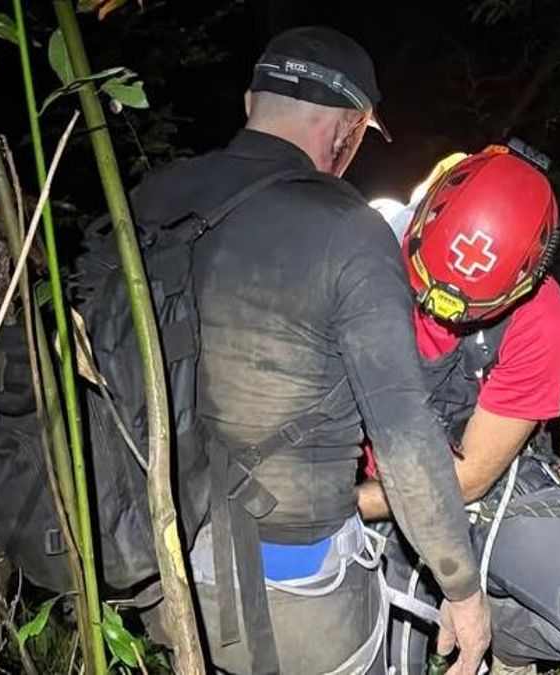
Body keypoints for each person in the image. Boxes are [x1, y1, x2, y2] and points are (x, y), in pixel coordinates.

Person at [137, 27, 490, 674]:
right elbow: (404, 435)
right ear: (345, 131)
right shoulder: (349, 232)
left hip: (163, 566)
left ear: (250, 103)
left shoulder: (152, 200)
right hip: (299, 602)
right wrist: (462, 588)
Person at [356, 148, 560, 673]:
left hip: (484, 495)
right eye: (427, 289)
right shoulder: (358, 252)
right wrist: (324, 508)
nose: (440, 309)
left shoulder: (539, 316)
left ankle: (508, 634)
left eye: (465, 308)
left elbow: (468, 479)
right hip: (376, 507)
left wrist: (349, 506)